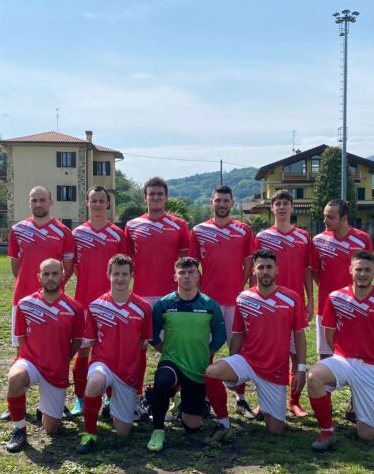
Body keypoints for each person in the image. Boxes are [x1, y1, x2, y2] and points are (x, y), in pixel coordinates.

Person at [306, 250, 374, 452]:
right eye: (359, 269)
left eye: (367, 270)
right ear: (350, 270)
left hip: (372, 367)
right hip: (343, 361)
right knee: (314, 376)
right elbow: (329, 335)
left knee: (366, 435)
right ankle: (327, 432)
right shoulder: (336, 297)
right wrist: (342, 355)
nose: (363, 274)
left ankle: (359, 408)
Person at [205, 249, 308, 436]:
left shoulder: (291, 298)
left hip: (275, 369)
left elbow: (300, 336)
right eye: (261, 267)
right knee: (212, 372)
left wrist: (301, 369)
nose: (265, 271)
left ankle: (267, 403)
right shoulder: (244, 298)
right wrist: (233, 362)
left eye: (269, 267)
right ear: (254, 270)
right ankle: (223, 422)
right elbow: (237, 334)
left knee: (275, 430)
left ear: (277, 269)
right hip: (248, 361)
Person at [3, 185, 75, 421]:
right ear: (29, 203)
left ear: (51, 203)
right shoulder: (18, 230)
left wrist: (52, 291)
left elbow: (67, 268)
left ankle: (54, 400)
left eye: (42, 200)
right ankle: (17, 402)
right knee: (21, 351)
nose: (38, 204)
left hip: (55, 302)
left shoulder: (63, 232)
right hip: (23, 300)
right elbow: (16, 266)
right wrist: (30, 290)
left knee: (57, 350)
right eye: (34, 200)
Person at [147, 257, 227, 452]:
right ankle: (158, 430)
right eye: (182, 273)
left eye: (191, 272)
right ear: (175, 277)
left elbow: (220, 335)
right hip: (171, 361)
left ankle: (180, 405)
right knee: (162, 381)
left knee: (193, 427)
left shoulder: (210, 305)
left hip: (196, 368)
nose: (186, 276)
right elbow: (152, 334)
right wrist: (165, 350)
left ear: (198, 276)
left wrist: (207, 353)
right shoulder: (164, 304)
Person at [5, 258, 85, 453]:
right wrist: (26, 359)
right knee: (15, 379)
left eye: (55, 273)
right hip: (31, 362)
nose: (50, 278)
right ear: (39, 277)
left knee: (51, 429)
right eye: (46, 274)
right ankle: (19, 430)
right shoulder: (25, 304)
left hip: (56, 369)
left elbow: (76, 341)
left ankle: (44, 408)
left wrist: (61, 360)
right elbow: (21, 338)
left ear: (63, 275)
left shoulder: (74, 308)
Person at [76, 254, 153, 454]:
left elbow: (142, 347)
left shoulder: (144, 308)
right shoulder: (96, 306)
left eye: (124, 274)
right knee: (94, 382)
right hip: (103, 363)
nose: (120, 278)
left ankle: (121, 404)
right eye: (116, 274)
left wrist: (137, 385)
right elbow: (91, 342)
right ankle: (89, 433)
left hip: (128, 372)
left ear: (132, 276)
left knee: (123, 432)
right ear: (108, 275)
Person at [188, 185, 253, 418]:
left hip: (236, 302)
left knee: (238, 350)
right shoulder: (199, 230)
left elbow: (249, 264)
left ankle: (241, 398)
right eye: (218, 200)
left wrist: (239, 287)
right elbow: (193, 266)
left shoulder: (243, 230)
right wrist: (201, 292)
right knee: (206, 349)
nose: (222, 204)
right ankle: (205, 396)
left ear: (232, 203)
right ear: (211, 202)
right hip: (209, 302)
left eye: (226, 201)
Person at [251, 190, 318, 416]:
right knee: (268, 353)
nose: (281, 207)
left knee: (295, 353)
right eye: (277, 204)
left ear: (292, 208)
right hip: (268, 303)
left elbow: (307, 270)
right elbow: (256, 271)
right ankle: (264, 400)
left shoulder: (303, 237)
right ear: (272, 208)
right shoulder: (262, 236)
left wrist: (310, 301)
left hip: (293, 303)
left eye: (285, 204)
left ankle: (294, 401)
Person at [125, 176, 190, 401]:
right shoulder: (132, 225)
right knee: (138, 348)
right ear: (144, 197)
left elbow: (185, 263)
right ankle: (136, 396)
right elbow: (126, 262)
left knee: (173, 348)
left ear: (166, 197)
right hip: (141, 295)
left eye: (159, 194)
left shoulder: (179, 225)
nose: (155, 197)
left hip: (171, 297)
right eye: (151, 193)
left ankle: (172, 397)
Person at [70, 186, 128, 419]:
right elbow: (75, 268)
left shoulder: (117, 234)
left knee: (110, 350)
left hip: (112, 303)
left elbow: (124, 268)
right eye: (93, 200)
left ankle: (110, 396)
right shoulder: (77, 234)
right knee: (83, 350)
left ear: (108, 204)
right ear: (87, 203)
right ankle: (80, 396)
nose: (97, 204)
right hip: (85, 301)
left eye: (101, 201)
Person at [312, 199, 374, 360]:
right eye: (325, 216)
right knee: (325, 353)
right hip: (326, 305)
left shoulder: (362, 239)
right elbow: (315, 272)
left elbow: (368, 270)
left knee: (354, 352)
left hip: (355, 305)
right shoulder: (318, 241)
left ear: (344, 218)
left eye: (331, 217)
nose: (325, 220)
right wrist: (328, 289)